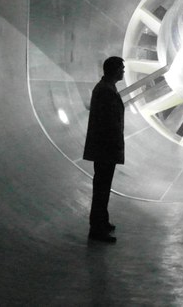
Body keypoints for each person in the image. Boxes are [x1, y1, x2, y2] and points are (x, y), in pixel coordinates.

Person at [83, 56, 125, 242]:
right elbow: (107, 123)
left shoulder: (106, 88)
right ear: (114, 70)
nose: (123, 71)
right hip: (105, 149)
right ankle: (97, 229)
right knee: (101, 188)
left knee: (103, 187)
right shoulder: (106, 91)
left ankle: (102, 222)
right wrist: (114, 145)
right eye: (121, 68)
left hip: (104, 148)